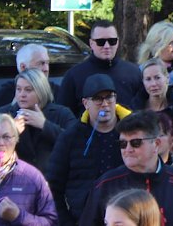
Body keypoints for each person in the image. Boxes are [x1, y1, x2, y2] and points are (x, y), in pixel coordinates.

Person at [79, 111, 173, 226]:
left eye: (136, 143)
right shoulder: (105, 186)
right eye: (123, 144)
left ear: (156, 144)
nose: (128, 150)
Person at [44, 73, 130, 226]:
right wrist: (67, 222)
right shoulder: (70, 137)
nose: (104, 104)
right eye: (97, 98)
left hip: (127, 217)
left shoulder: (132, 133)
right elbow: (52, 187)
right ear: (85, 103)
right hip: (84, 219)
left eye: (109, 97)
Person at [0, 68, 77, 173]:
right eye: (18, 89)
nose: (22, 94)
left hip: (53, 181)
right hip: (14, 180)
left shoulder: (61, 113)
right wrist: (10, 133)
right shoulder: (3, 114)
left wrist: (45, 125)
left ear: (41, 91)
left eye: (28, 90)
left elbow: (77, 143)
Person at [57, 20, 143, 116]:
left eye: (112, 41)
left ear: (118, 42)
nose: (107, 46)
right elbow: (64, 117)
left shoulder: (134, 72)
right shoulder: (74, 75)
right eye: (100, 42)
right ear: (91, 43)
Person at [132, 58, 173, 165]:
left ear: (167, 78)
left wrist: (168, 159)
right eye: (148, 79)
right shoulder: (135, 111)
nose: (153, 84)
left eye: (157, 77)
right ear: (143, 82)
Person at [0, 44, 59, 115]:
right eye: (41, 63)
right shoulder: (5, 95)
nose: (46, 69)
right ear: (23, 67)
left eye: (47, 63)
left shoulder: (58, 93)